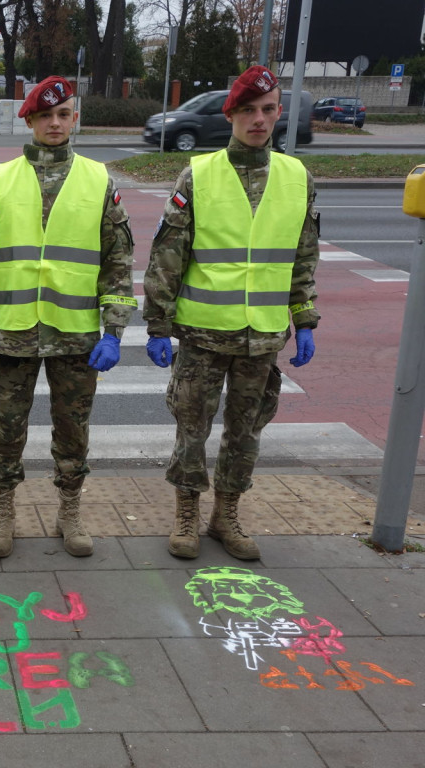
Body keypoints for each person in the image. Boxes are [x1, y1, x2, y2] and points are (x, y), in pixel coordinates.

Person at [143, 65, 320, 561]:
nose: (258, 120)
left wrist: (304, 317)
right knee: (191, 430)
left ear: (278, 113)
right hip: (202, 334)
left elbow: (303, 257)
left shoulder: (297, 178)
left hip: (262, 337)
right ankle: (186, 515)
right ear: (232, 114)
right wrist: (157, 324)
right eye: (248, 110)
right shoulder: (198, 174)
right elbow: (167, 256)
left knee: (246, 433)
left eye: (267, 110)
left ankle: (226, 515)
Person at [0, 76, 136, 558]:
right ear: (31, 121)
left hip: (76, 335)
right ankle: (4, 511)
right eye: (45, 116)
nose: (55, 124)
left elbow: (119, 260)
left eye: (64, 115)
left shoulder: (99, 181)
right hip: (13, 335)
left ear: (74, 118)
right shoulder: (2, 181)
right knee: (7, 429)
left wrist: (115, 329)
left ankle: (69, 510)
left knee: (73, 429)